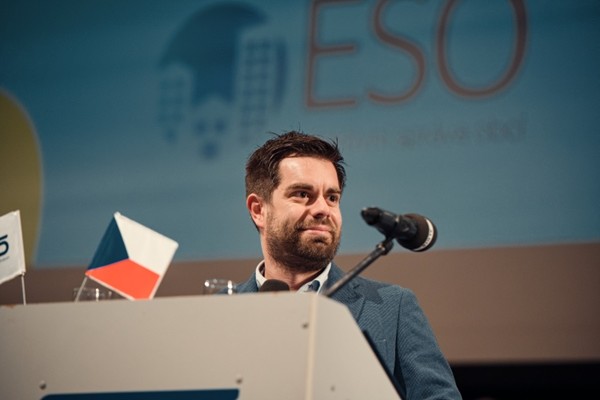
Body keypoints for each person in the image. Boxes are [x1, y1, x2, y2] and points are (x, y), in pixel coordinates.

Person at [236, 131, 462, 399]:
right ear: (258, 210)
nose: (323, 209)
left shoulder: (393, 307)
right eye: (302, 194)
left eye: (332, 197)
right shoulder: (219, 311)